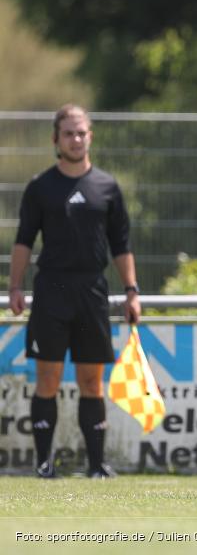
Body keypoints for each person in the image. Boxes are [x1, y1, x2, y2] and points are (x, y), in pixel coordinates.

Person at [8, 104, 141, 479]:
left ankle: (97, 465)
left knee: (90, 381)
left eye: (81, 132)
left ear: (90, 137)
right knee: (48, 379)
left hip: (92, 292)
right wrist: (14, 287)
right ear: (56, 139)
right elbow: (23, 241)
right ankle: (44, 465)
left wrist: (132, 290)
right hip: (51, 291)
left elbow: (121, 243)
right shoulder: (40, 187)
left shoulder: (107, 187)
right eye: (68, 133)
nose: (76, 139)